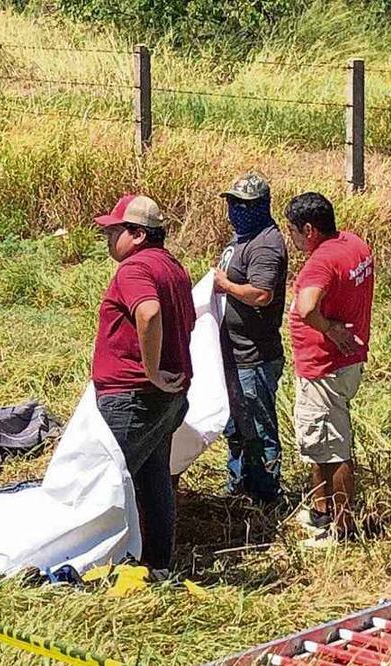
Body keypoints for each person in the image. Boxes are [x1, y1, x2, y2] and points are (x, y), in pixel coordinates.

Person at [91, 194, 194, 572]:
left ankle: (98, 560)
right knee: (154, 479)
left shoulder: (134, 270)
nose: (107, 238)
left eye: (113, 231)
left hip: (134, 394)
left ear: (137, 234)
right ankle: (156, 562)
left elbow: (149, 314)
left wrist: (150, 370)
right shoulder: (172, 267)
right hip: (164, 396)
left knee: (106, 480)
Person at [285, 192, 374, 547]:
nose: (290, 238)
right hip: (346, 362)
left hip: (325, 366)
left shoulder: (319, 263)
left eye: (292, 230)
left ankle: (341, 527)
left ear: (308, 229)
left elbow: (307, 308)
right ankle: (321, 511)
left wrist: (329, 329)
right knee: (320, 443)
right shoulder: (354, 244)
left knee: (332, 446)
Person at [213, 173, 288, 504]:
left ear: (261, 207)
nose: (235, 209)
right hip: (233, 353)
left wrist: (225, 286)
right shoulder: (241, 238)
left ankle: (267, 496)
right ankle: (240, 487)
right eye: (232, 203)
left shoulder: (266, 244)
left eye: (243, 204)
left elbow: (261, 294)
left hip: (254, 356)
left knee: (258, 430)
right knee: (237, 428)